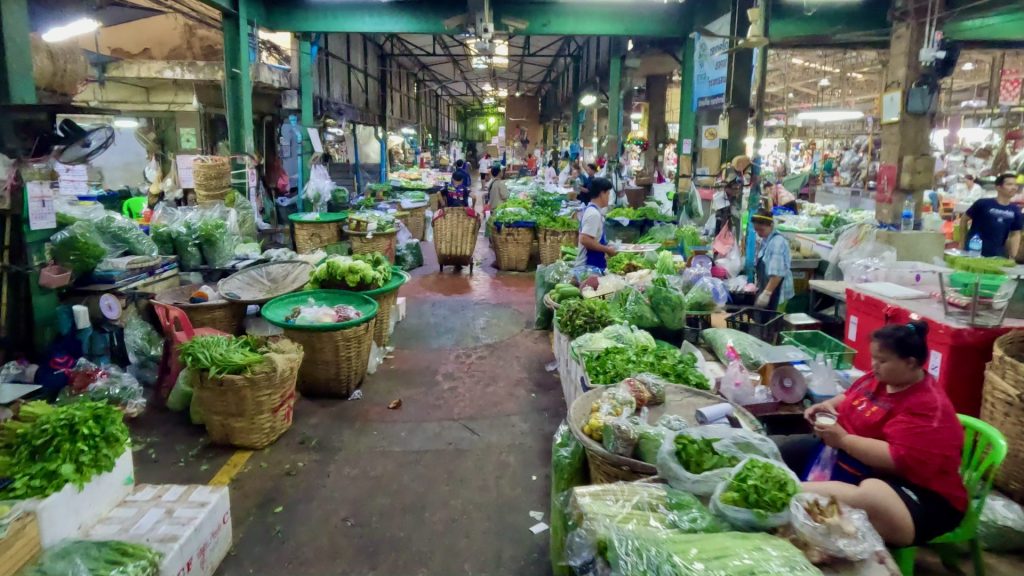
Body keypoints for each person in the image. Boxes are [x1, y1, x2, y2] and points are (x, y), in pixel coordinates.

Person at [784, 321, 966, 547]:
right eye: (874, 358)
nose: (874, 365)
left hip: (920, 491)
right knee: (783, 450)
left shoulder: (927, 407)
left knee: (873, 495)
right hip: (859, 462)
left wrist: (843, 440)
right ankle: (792, 494)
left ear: (911, 363)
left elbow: (897, 459)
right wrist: (828, 405)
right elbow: (851, 397)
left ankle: (789, 492)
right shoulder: (881, 379)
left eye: (882, 360)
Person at [961, 173, 1022, 258]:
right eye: (1009, 184)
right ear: (998, 187)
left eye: (1016, 185)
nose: (1014, 187)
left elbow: (1015, 234)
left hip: (997, 255)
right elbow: (964, 219)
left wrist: (1013, 256)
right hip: (974, 251)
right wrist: (962, 242)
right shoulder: (983, 204)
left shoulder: (1015, 210)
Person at [751, 211, 794, 310]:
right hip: (768, 288)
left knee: (774, 322)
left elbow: (777, 275)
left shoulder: (777, 243)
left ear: (771, 225)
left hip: (777, 292)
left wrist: (766, 293)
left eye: (761, 230)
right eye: (756, 230)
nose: (759, 233)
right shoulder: (766, 240)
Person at [575, 178, 618, 270]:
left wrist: (607, 245)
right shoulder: (593, 214)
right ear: (602, 194)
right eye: (608, 194)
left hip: (594, 266)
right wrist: (607, 250)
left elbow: (594, 238)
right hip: (587, 268)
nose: (609, 197)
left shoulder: (594, 211)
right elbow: (584, 239)